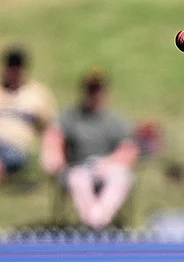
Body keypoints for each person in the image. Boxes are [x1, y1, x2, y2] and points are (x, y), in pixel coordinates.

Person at [40, 68, 139, 229]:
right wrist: (53, 157)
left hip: (107, 167)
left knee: (121, 177)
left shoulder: (115, 121)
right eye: (91, 89)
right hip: (78, 167)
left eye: (98, 89)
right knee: (79, 180)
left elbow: (129, 150)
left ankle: (97, 221)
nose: (95, 94)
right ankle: (94, 223)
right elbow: (54, 137)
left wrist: (107, 163)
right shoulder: (71, 117)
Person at [0, 46, 57, 183]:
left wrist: (49, 155)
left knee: (11, 157)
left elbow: (51, 129)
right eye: (11, 66)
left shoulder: (37, 94)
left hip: (17, 147)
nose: (14, 70)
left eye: (17, 66)